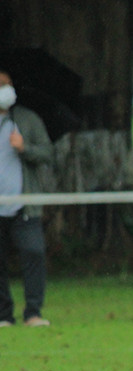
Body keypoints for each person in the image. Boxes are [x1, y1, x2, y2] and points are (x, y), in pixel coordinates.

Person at [0, 68, 54, 328]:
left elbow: (47, 153)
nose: (5, 90)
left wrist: (25, 148)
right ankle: (3, 315)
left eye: (7, 84)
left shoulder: (27, 120)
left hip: (25, 205)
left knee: (33, 252)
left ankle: (33, 312)